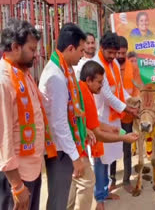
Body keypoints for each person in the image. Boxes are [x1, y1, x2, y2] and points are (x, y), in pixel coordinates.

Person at [67, 60, 139, 210]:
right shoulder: (86, 95)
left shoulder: (83, 90)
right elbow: (97, 133)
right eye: (99, 82)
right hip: (73, 149)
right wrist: (123, 137)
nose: (102, 86)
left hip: (74, 146)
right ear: (88, 80)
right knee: (87, 182)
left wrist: (109, 128)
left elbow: (92, 124)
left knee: (74, 190)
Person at [0, 19, 56, 210]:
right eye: (32, 50)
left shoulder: (23, 74)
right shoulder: (4, 81)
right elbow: (3, 138)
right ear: (15, 47)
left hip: (31, 171)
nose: (36, 55)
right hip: (14, 178)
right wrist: (16, 185)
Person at [39, 23, 88, 210]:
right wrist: (75, 157)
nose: (82, 55)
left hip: (61, 146)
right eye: (81, 50)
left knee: (59, 198)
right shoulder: (57, 76)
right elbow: (60, 123)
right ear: (70, 48)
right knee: (59, 201)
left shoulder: (60, 70)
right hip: (59, 149)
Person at [92, 31, 138, 210]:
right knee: (100, 158)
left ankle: (105, 190)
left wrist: (132, 101)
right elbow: (108, 95)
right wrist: (127, 108)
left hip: (113, 118)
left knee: (109, 158)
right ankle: (99, 198)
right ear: (101, 49)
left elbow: (120, 90)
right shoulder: (97, 65)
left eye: (115, 53)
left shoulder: (113, 65)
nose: (113, 57)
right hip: (101, 116)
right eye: (110, 53)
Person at [110, 36, 142, 193]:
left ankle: (126, 180)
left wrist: (134, 105)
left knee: (127, 148)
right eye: (118, 53)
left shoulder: (133, 67)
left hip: (128, 116)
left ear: (127, 51)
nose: (120, 56)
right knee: (112, 147)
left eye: (123, 53)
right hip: (113, 116)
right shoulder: (111, 67)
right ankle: (112, 180)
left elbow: (136, 88)